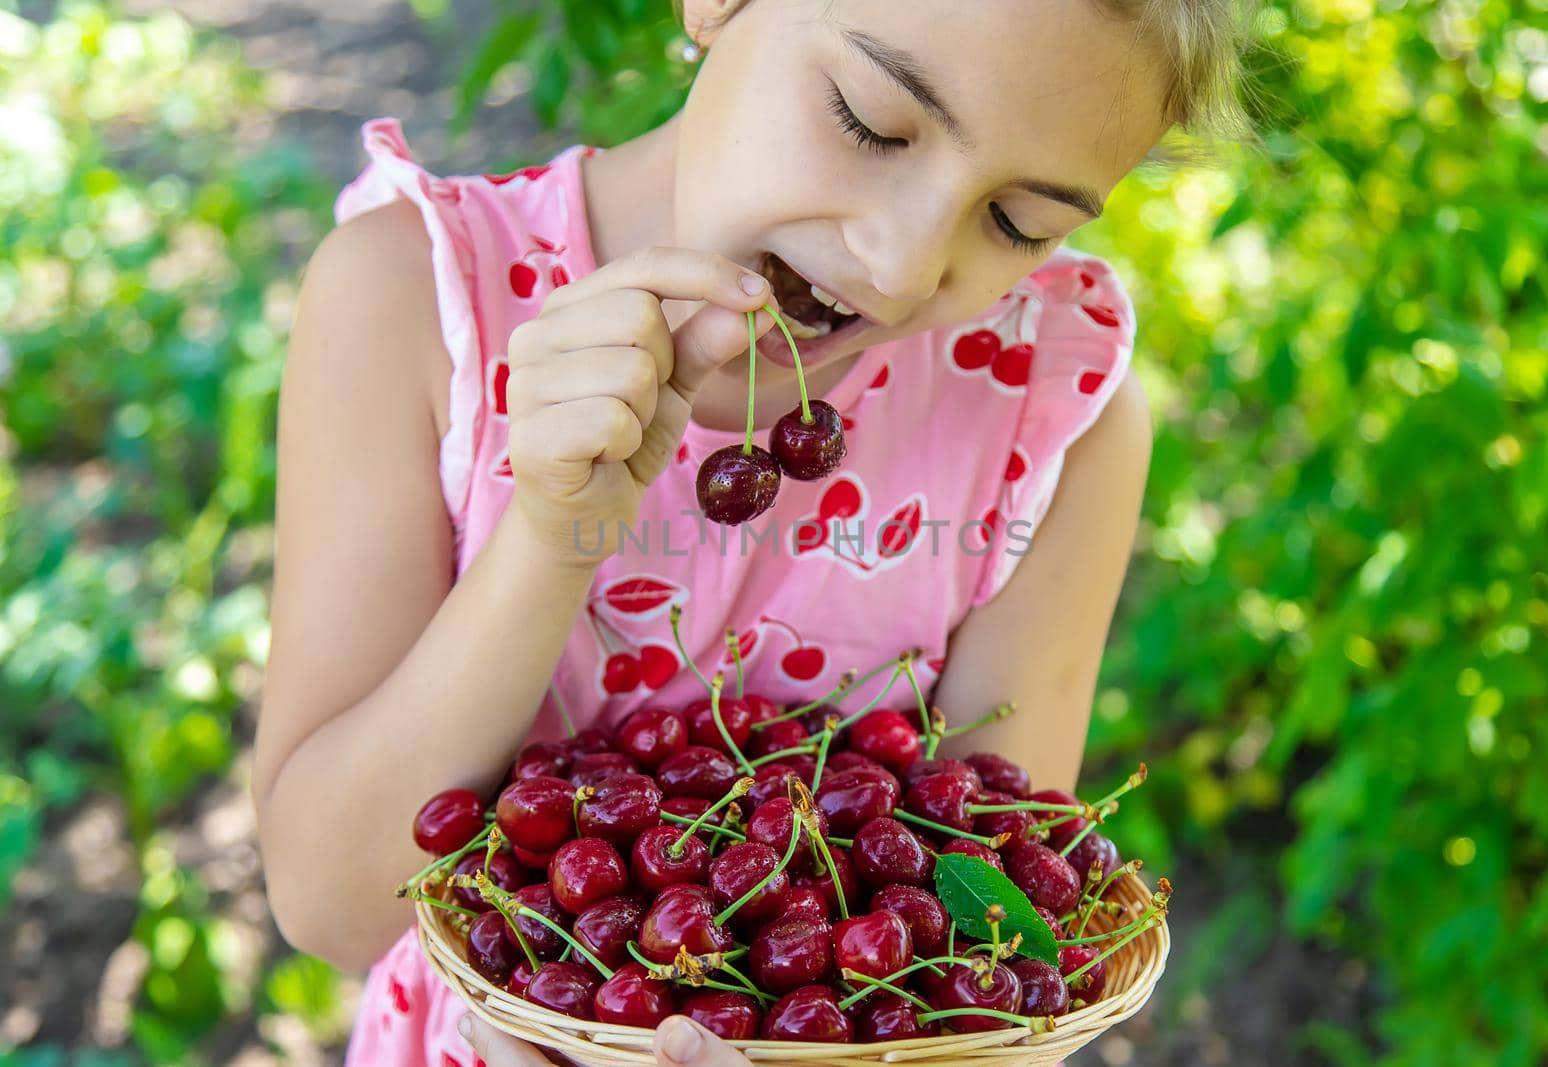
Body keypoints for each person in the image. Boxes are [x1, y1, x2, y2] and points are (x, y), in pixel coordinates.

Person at [251, 0, 1254, 1063]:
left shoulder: (1043, 414)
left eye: (1016, 222)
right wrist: (554, 533)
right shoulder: (416, 302)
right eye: (870, 121)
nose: (904, 264)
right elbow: (335, 903)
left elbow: (992, 941)